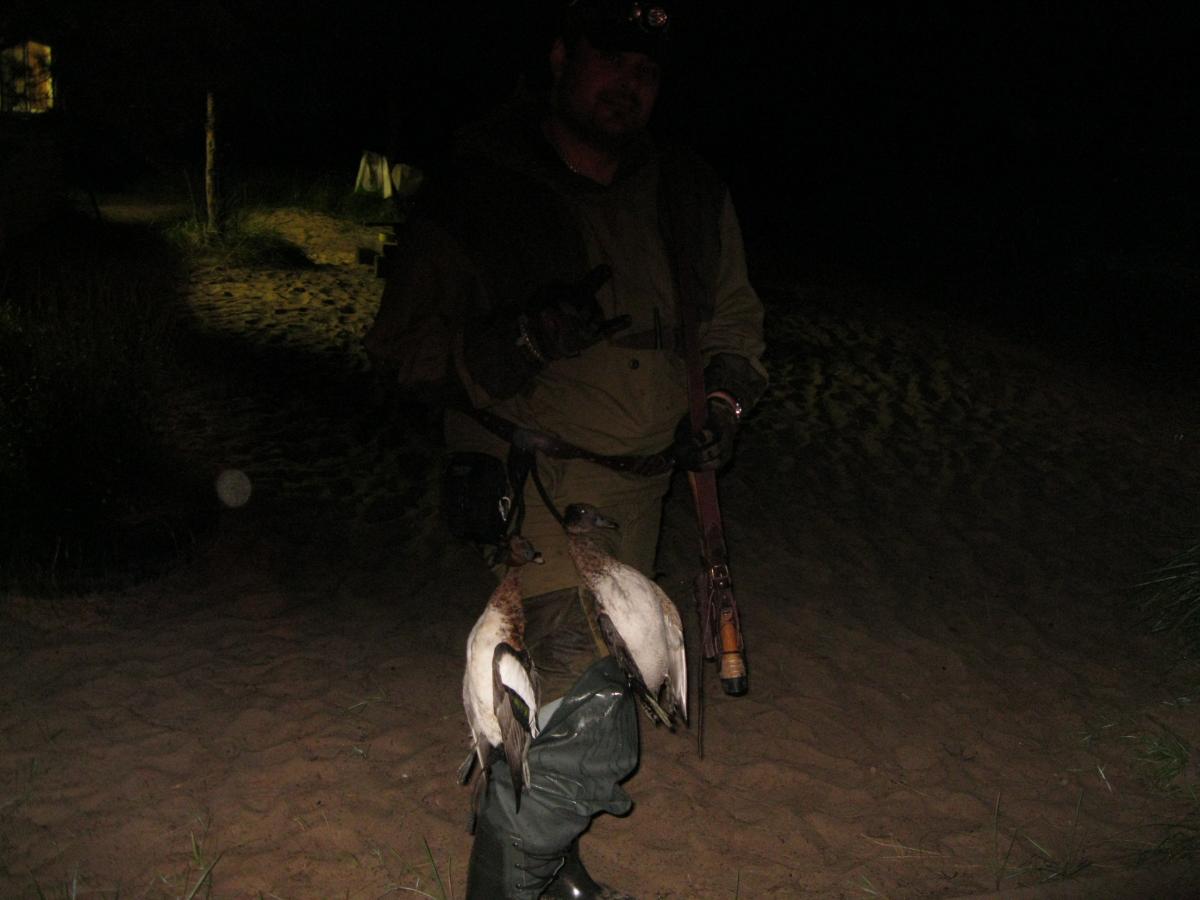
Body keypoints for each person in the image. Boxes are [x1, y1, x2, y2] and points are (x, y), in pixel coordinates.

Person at [364, 2, 767, 896]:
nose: (629, 84)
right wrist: (520, 340)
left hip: (644, 493)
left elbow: (736, 326)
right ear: (559, 58)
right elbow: (398, 351)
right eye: (609, 60)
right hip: (536, 488)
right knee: (590, 729)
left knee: (561, 701)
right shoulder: (480, 186)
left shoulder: (687, 191)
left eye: (647, 71)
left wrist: (722, 407)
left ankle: (550, 875)